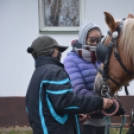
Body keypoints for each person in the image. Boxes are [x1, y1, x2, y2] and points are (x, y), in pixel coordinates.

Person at [25, 35, 113, 134]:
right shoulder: (54, 72)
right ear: (50, 51)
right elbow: (67, 102)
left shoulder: (37, 74)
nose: (59, 53)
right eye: (57, 50)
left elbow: (42, 108)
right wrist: (99, 102)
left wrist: (73, 117)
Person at [63, 22, 108, 134]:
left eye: (98, 40)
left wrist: (113, 99)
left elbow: (107, 85)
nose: (96, 44)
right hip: (85, 120)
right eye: (92, 40)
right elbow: (78, 90)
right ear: (83, 39)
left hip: (103, 118)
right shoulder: (71, 60)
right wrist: (102, 102)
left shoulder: (100, 59)